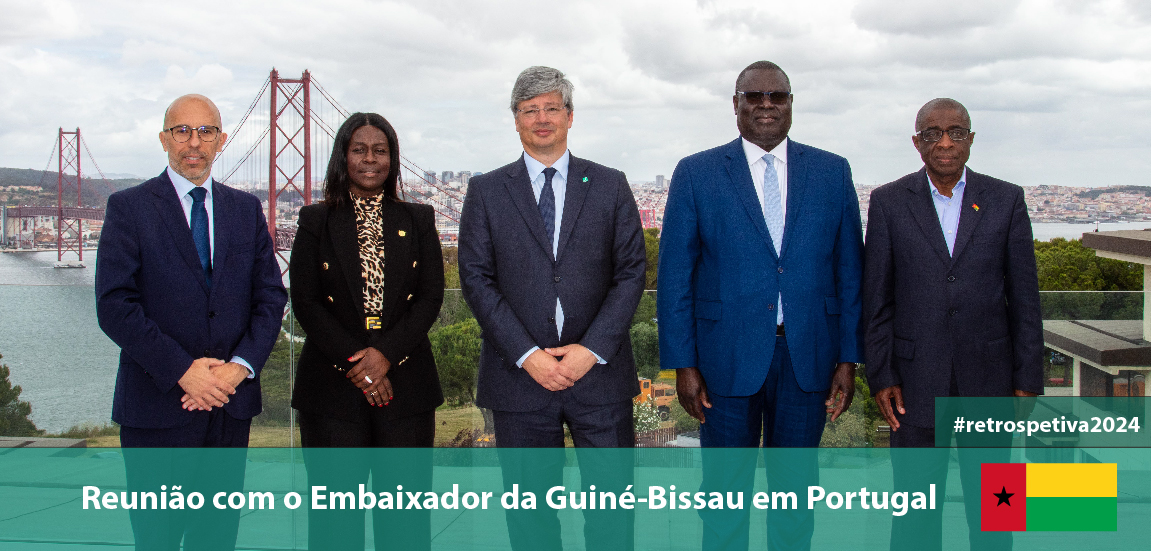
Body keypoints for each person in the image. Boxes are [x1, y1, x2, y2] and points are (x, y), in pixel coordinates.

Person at [657, 60, 864, 551]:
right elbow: (675, 277)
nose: (766, 105)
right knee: (725, 503)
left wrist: (849, 357)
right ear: (736, 105)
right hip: (721, 362)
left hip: (808, 360)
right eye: (754, 96)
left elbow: (851, 273)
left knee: (795, 501)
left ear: (791, 104)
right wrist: (682, 363)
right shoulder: (697, 173)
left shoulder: (832, 171)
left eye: (778, 96)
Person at [458, 66, 646, 551]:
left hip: (599, 376)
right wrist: (528, 354)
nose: (541, 119)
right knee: (530, 523)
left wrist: (591, 350)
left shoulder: (609, 184)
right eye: (529, 110)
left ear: (570, 116)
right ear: (515, 121)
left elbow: (631, 273)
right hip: (519, 378)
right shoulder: (486, 190)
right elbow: (476, 279)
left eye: (551, 108)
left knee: (611, 519)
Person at [95, 94, 287, 549]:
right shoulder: (129, 207)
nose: (194, 142)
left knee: (216, 537)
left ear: (221, 140)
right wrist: (184, 372)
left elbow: (270, 296)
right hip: (157, 410)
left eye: (206, 131)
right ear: (164, 139)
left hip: (228, 406)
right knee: (157, 538)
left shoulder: (245, 209)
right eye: (182, 130)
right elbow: (114, 305)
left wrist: (237, 369)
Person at [863, 98, 1043, 551]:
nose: (945, 142)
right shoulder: (888, 202)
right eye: (933, 133)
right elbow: (877, 300)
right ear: (916, 142)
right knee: (914, 522)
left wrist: (1027, 382)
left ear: (971, 139)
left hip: (992, 383)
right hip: (912, 385)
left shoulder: (1006, 199)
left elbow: (1024, 299)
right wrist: (881, 374)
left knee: (996, 520)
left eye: (956, 132)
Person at [289, 112, 445, 551]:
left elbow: (431, 297)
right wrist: (360, 364)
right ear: (343, 156)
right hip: (332, 391)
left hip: (406, 386)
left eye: (380, 150)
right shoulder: (314, 221)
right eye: (359, 149)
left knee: (406, 525)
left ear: (393, 159)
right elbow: (306, 302)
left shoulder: (419, 218)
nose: (370, 159)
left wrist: (385, 357)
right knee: (335, 525)